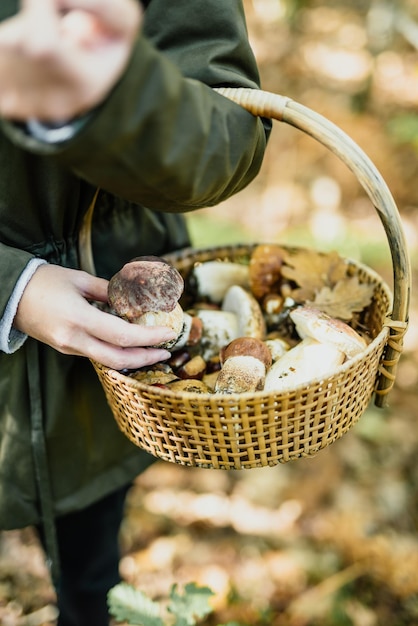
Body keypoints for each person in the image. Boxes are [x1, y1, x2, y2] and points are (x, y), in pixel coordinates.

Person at [0, 1, 271, 624]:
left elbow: (231, 133)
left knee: (90, 571)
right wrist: (12, 287)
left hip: (112, 364)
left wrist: (117, 96)